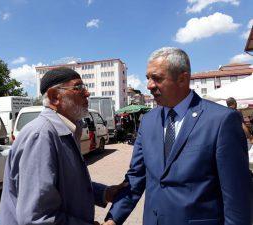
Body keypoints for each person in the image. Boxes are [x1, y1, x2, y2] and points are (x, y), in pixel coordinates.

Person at [103, 47, 253, 225]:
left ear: (182, 79)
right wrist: (113, 218)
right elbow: (136, 177)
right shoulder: (148, 121)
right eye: (148, 78)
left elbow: (237, 197)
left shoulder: (222, 120)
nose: (149, 85)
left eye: (157, 78)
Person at [0, 67, 124, 225]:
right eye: (78, 87)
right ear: (54, 97)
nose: (87, 93)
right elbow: (37, 218)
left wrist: (105, 193)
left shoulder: (66, 131)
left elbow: (66, 186)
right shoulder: (41, 135)